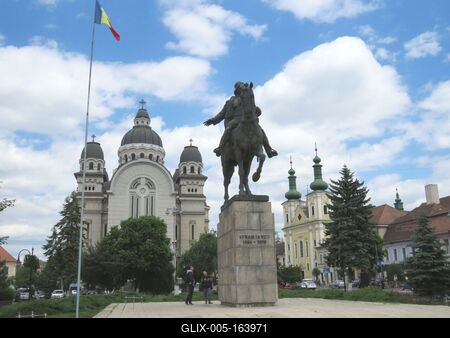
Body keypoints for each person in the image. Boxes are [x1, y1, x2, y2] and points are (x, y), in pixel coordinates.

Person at [204, 81, 277, 158]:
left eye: (241, 87)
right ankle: (220, 147)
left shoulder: (247, 97)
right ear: (236, 90)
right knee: (229, 128)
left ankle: (269, 150)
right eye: (239, 87)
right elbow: (222, 114)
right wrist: (212, 120)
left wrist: (257, 110)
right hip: (236, 119)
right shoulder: (230, 101)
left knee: (260, 130)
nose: (241, 88)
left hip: (247, 119)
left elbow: (254, 108)